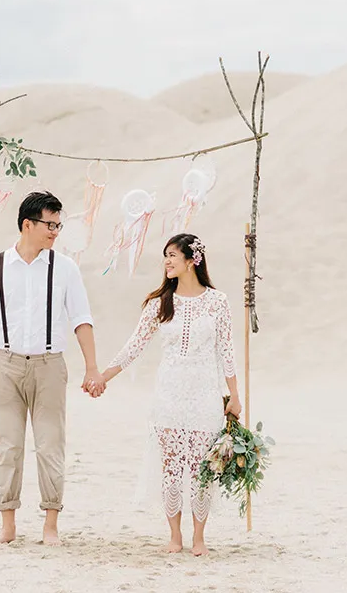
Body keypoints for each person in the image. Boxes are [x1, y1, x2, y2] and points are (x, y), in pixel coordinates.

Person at [0, 191, 106, 546]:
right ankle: (8, 525)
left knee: (50, 445)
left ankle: (50, 525)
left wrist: (92, 368)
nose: (56, 232)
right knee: (7, 446)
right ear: (27, 224)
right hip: (5, 365)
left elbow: (81, 319)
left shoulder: (65, 268)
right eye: (50, 224)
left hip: (49, 366)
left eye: (59, 225)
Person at [94, 233, 240, 556]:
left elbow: (227, 352)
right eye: (165, 256)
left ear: (192, 261)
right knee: (172, 466)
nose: (168, 262)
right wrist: (103, 376)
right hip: (169, 393)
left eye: (173, 255)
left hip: (204, 392)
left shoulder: (218, 302)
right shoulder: (160, 303)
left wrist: (234, 397)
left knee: (202, 467)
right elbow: (135, 346)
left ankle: (199, 537)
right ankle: (175, 535)